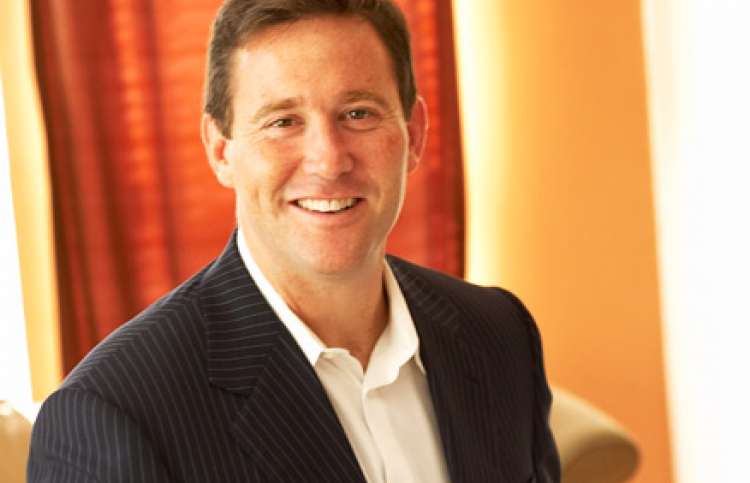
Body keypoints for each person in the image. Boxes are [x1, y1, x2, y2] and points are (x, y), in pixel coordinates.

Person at [28, 1, 560, 481]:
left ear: (415, 133)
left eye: (358, 113)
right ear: (220, 150)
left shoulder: (499, 334)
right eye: (283, 121)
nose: (328, 159)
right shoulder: (114, 413)